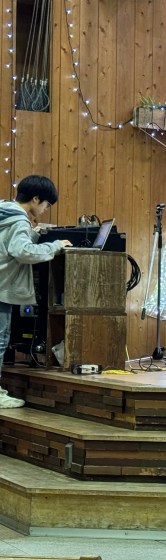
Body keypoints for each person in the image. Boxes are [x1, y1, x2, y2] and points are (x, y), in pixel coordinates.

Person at [0, 175, 72, 408]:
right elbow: (22, 252)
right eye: (46, 205)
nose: (45, 209)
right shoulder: (19, 221)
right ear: (35, 199)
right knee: (0, 341)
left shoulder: (5, 212)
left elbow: (7, 244)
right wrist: (55, 245)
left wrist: (32, 233)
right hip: (1, 288)